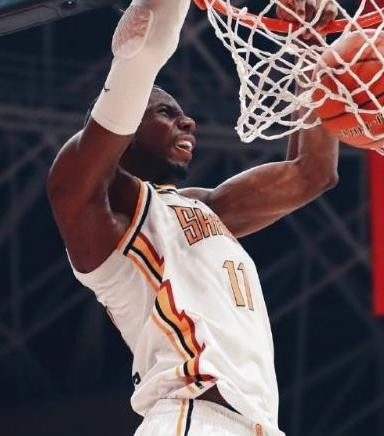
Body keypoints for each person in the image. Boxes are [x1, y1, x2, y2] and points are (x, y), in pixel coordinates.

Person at [47, 0, 339, 433]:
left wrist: (311, 44)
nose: (189, 123)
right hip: (193, 414)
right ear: (126, 128)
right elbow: (142, 50)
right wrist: (135, 60)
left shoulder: (206, 208)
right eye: (165, 112)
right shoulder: (101, 214)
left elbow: (311, 172)